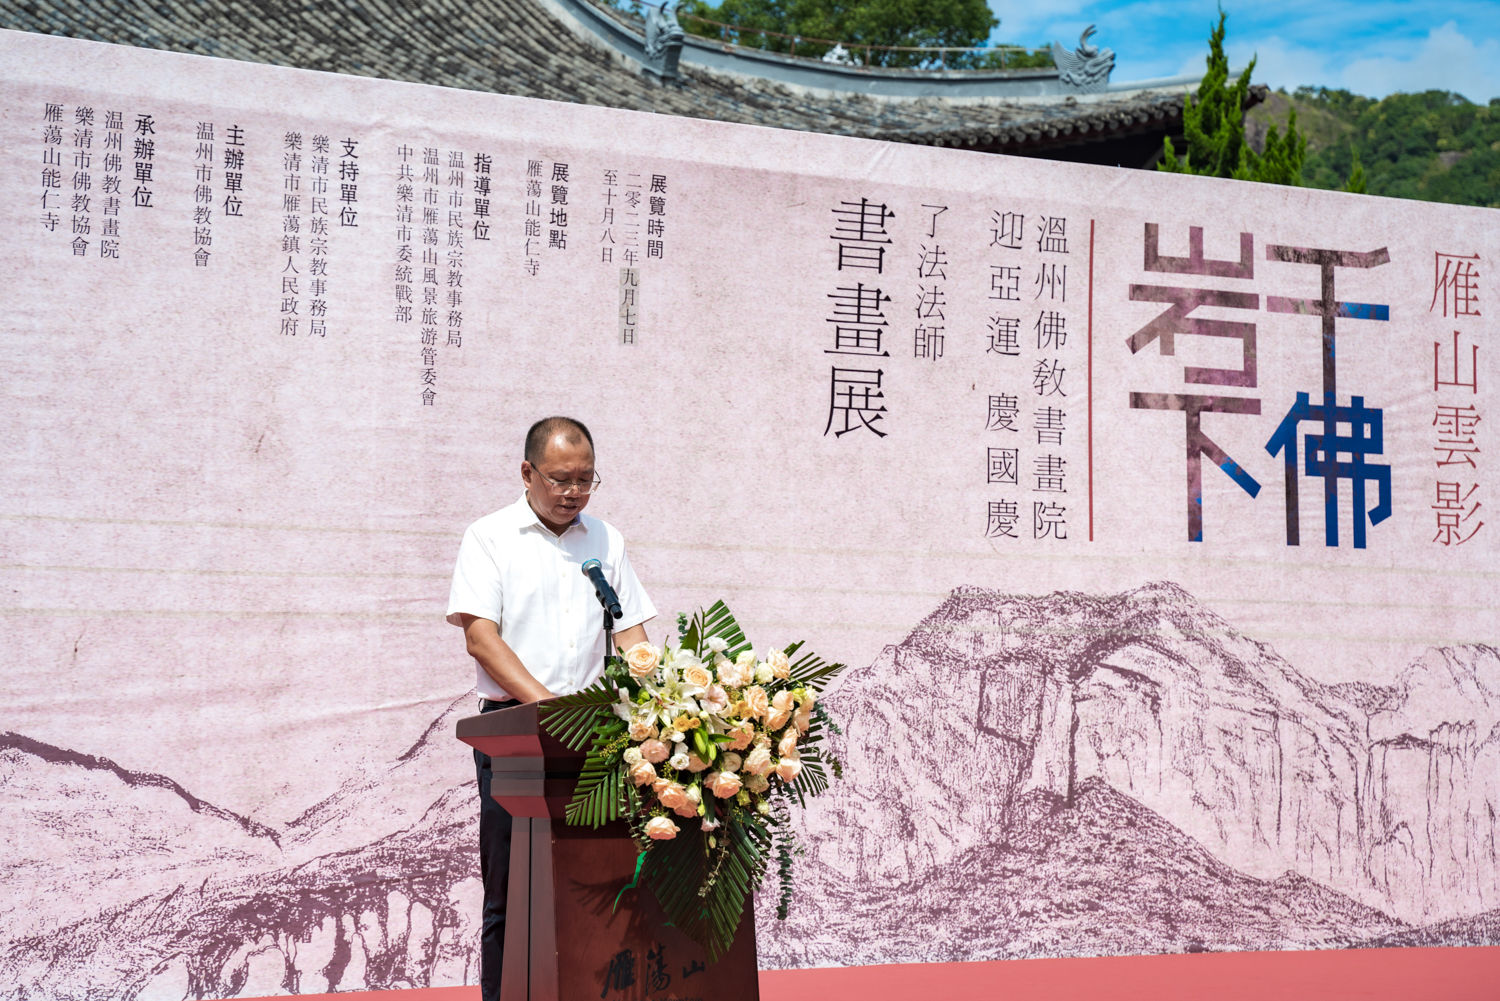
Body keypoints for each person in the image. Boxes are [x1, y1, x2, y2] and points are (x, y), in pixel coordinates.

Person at [445, 416, 655, 1001]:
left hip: (597, 738)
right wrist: (550, 709)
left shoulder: (605, 540)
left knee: (594, 881)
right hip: (517, 732)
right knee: (512, 892)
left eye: (585, 480)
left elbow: (631, 632)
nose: (573, 493)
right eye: (561, 479)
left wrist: (662, 698)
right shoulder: (488, 536)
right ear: (528, 473)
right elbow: (481, 637)